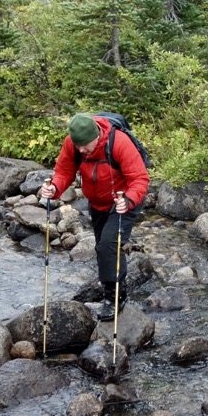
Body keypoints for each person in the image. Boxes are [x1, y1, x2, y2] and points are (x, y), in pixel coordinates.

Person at [38, 114, 150, 321]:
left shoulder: (119, 143)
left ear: (97, 135)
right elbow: (64, 172)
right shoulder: (73, 144)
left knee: (109, 245)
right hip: (97, 202)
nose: (81, 150)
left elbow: (140, 178)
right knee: (102, 246)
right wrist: (53, 188)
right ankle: (111, 285)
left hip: (123, 200)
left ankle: (115, 298)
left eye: (85, 146)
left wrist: (129, 199)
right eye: (78, 146)